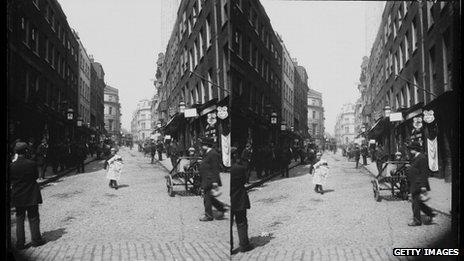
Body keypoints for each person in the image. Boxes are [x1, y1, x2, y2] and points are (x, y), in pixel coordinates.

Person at [10, 142, 46, 249]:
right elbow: (35, 176)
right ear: (26, 151)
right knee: (34, 217)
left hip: (18, 196)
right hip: (31, 194)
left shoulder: (12, 166)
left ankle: (20, 243)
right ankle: (36, 240)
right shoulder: (31, 164)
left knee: (19, 219)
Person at [406, 141, 436, 226]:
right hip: (415, 182)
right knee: (417, 201)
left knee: (415, 202)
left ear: (415, 149)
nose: (410, 150)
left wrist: (423, 186)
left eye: (411, 148)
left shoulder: (422, 158)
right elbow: (415, 168)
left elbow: (424, 173)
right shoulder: (415, 157)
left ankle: (417, 221)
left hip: (418, 183)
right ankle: (430, 213)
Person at [230, 147, 254, 252]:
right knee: (241, 222)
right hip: (239, 198)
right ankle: (244, 245)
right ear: (235, 155)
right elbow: (244, 180)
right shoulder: (239, 168)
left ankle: (229, 247)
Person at [198, 138, 227, 221]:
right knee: (209, 197)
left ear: (207, 145)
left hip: (210, 179)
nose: (201, 146)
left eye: (202, 144)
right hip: (206, 178)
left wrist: (215, 181)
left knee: (206, 197)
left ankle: (208, 215)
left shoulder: (213, 154)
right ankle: (222, 208)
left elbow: (215, 168)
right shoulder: (207, 153)